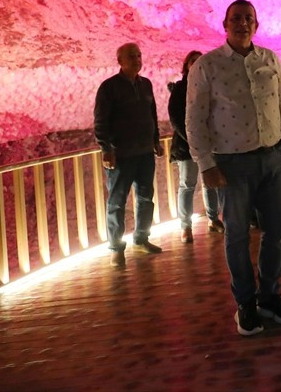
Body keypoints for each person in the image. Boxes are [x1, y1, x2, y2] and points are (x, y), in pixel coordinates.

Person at [187, 0, 281, 337]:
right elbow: (194, 118)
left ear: (257, 24)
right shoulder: (207, 66)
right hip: (232, 162)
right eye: (236, 18)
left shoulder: (269, 59)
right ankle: (245, 303)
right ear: (225, 24)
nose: (242, 23)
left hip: (273, 157)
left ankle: (269, 296)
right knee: (236, 235)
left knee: (278, 231)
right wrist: (205, 163)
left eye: (248, 18)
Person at [94, 42, 165, 267]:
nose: (137, 60)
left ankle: (141, 239)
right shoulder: (109, 87)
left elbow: (152, 114)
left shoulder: (146, 85)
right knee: (117, 201)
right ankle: (116, 247)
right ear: (120, 61)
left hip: (144, 152)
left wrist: (156, 140)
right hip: (121, 154)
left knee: (146, 198)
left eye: (139, 55)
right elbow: (101, 121)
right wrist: (106, 149)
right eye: (132, 56)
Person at [168, 50, 224, 243]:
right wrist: (192, 139)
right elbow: (175, 117)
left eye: (199, 61)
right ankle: (186, 226)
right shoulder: (180, 88)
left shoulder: (209, 86)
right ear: (186, 66)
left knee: (210, 182)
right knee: (187, 184)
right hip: (186, 146)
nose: (196, 64)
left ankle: (213, 219)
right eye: (193, 61)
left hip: (208, 144)